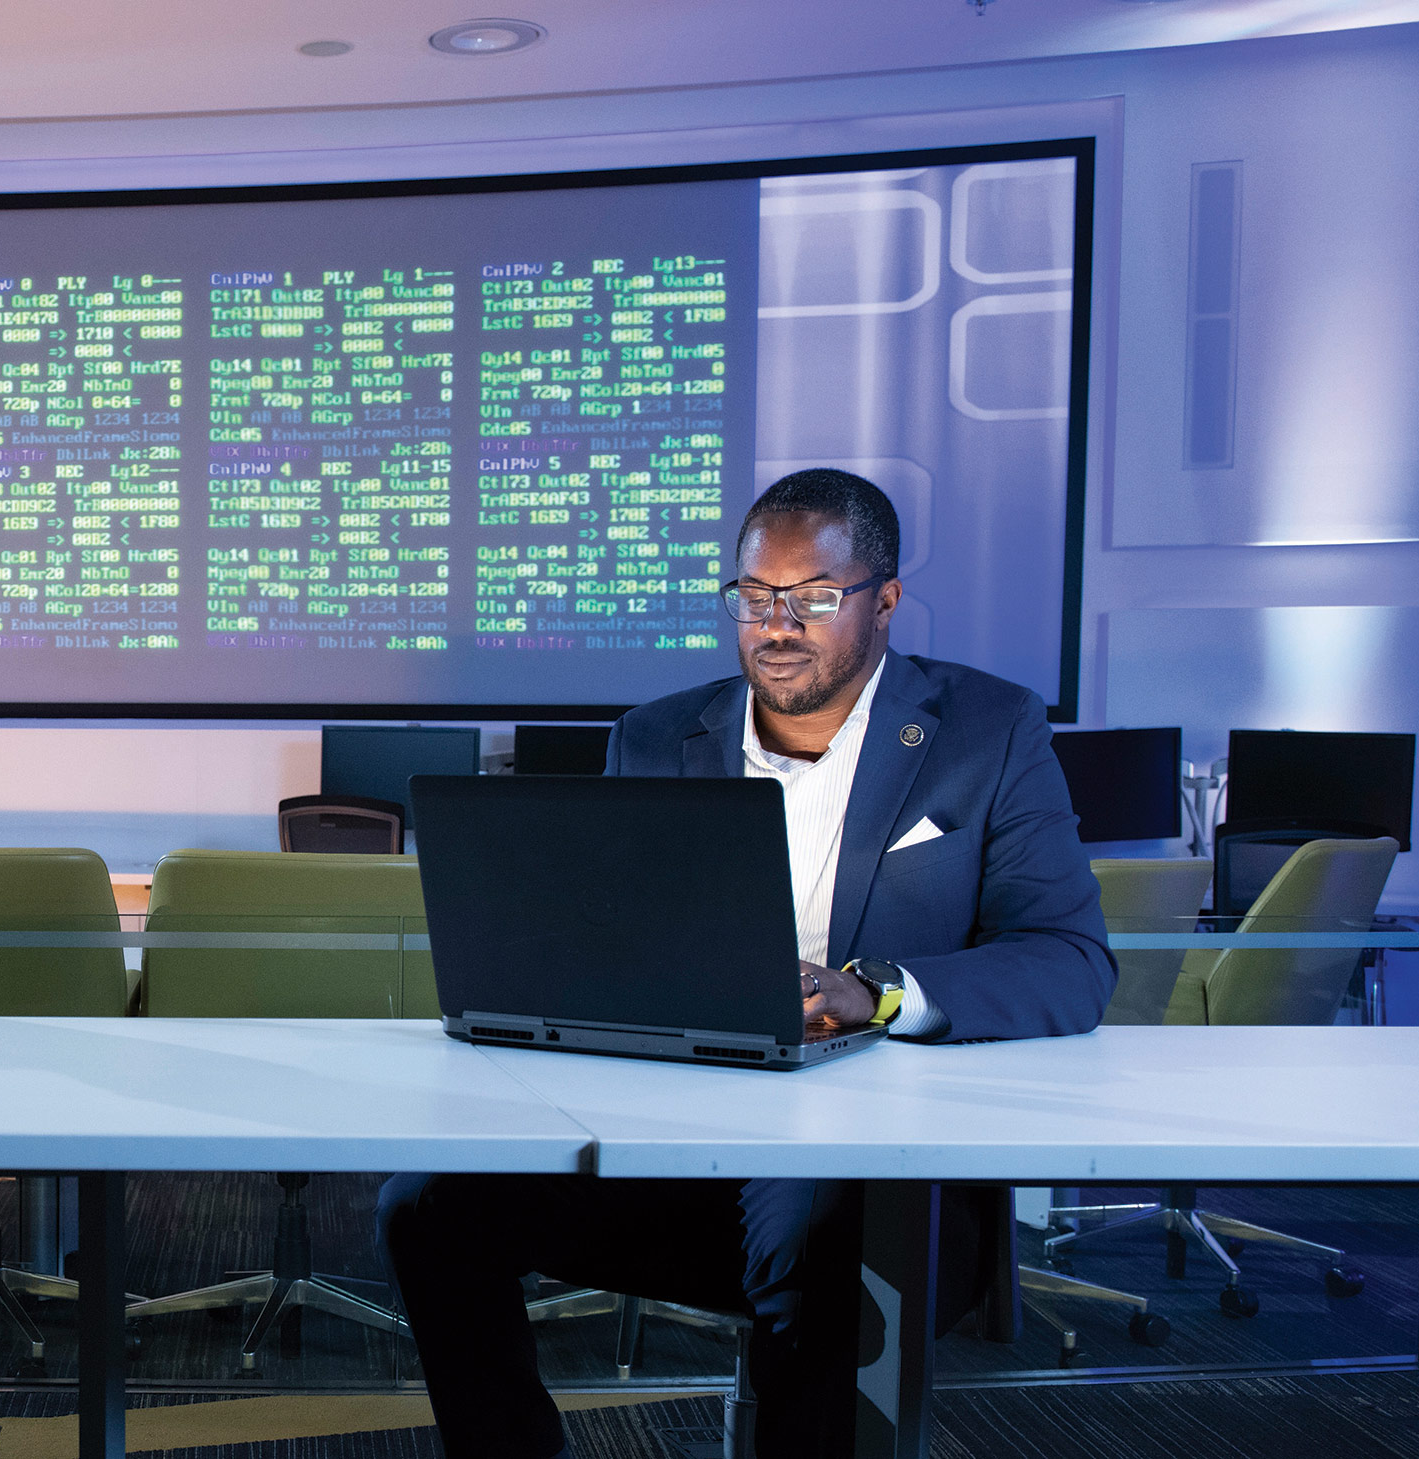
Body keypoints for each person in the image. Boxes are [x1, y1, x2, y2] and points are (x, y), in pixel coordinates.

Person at [379, 468, 1113, 1458]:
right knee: (428, 1207)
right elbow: (609, 941)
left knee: (815, 1243)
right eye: (757, 595)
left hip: (864, 1149)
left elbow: (1068, 959)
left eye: (814, 596)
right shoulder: (654, 734)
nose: (778, 623)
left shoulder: (989, 731)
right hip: (675, 1128)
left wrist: (875, 991)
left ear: (886, 600)